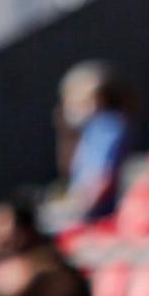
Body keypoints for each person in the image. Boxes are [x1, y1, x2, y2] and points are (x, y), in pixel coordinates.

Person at [45, 63, 133, 228]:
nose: (70, 107)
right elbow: (68, 167)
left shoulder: (107, 127)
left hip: (99, 218)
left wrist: (76, 211)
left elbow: (101, 180)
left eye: (77, 99)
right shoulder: (89, 130)